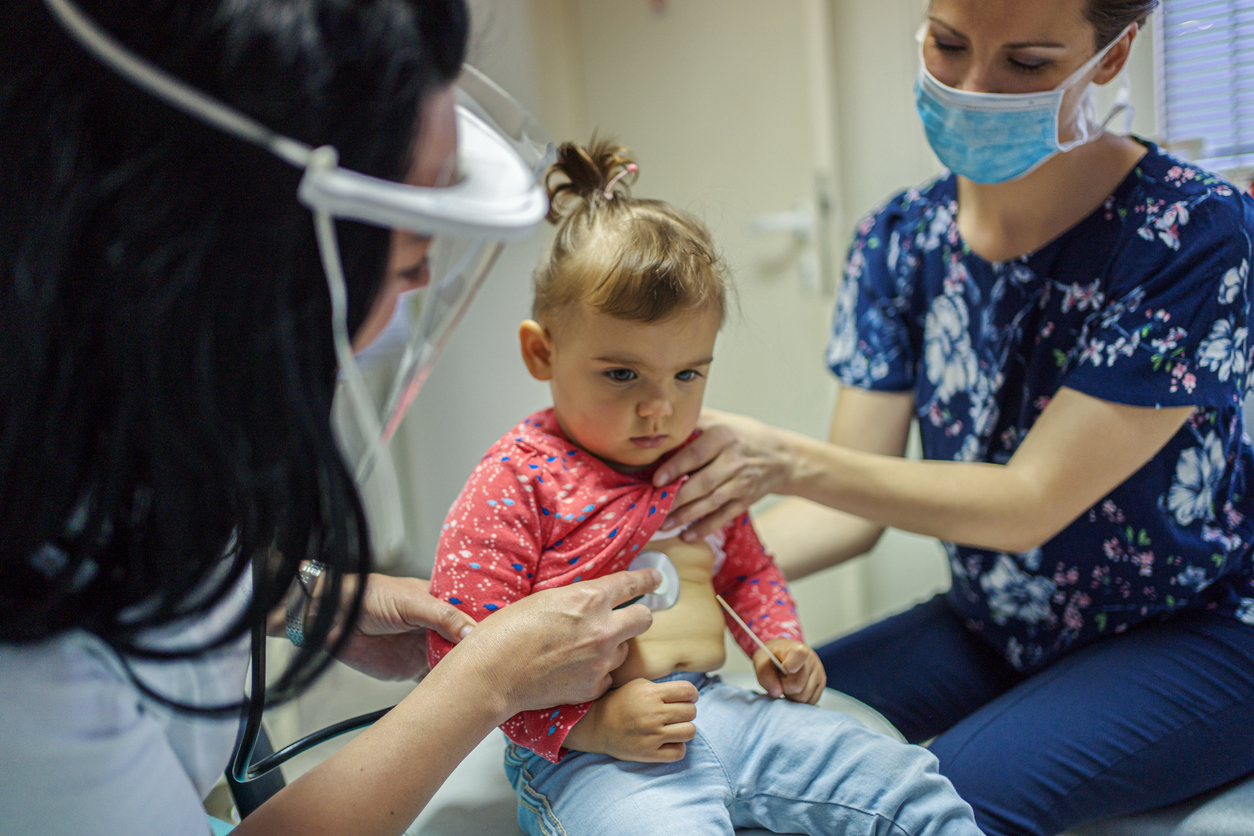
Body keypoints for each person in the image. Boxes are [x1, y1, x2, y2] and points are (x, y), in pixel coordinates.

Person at [0, 2, 662, 834]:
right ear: (241, 253)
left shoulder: (93, 406)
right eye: (408, 252)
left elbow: (124, 555)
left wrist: (309, 601)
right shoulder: (23, 674)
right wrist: (485, 684)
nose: (417, 287)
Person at [647, 1, 1254, 835]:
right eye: (949, 45)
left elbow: (1030, 502)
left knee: (932, 798)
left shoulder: (1191, 232)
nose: (974, 89)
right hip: (994, 624)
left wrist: (778, 457)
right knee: (750, 737)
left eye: (1028, 64)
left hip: (1203, 629)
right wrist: (659, 572)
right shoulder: (900, 239)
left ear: (1112, 56)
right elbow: (843, 503)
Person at [426, 138, 983, 836]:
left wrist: (779, 645)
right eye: (623, 375)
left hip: (718, 706)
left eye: (688, 375)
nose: (660, 408)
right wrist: (589, 724)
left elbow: (747, 572)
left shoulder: (694, 464)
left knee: (903, 782)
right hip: (585, 758)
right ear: (542, 351)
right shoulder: (514, 483)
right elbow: (463, 651)